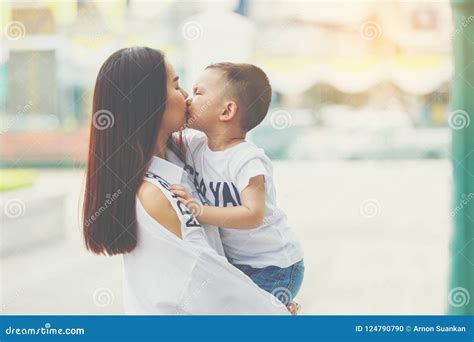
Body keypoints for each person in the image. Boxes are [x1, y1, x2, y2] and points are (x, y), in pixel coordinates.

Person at [82, 47, 290, 314]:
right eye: (176, 85)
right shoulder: (154, 194)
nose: (185, 97)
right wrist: (279, 312)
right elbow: (211, 284)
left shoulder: (180, 157)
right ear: (150, 102)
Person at [170, 63, 304, 306]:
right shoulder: (195, 146)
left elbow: (252, 214)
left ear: (226, 111)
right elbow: (163, 138)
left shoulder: (247, 160)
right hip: (240, 264)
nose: (188, 97)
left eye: (199, 93)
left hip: (275, 265)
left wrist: (200, 211)